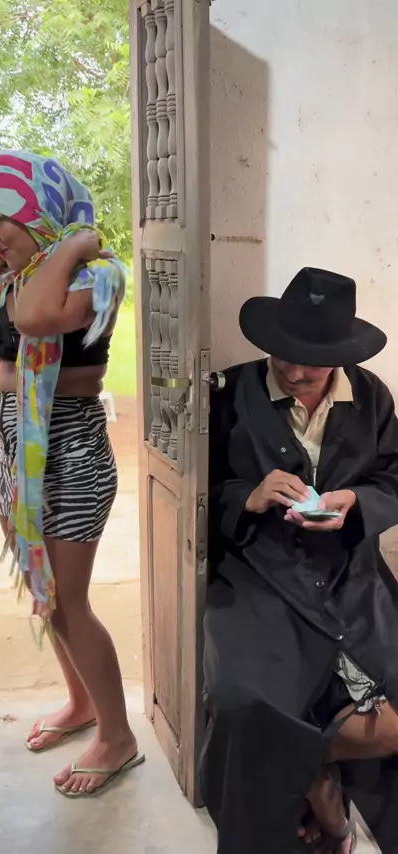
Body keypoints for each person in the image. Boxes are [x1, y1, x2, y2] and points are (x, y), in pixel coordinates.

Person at [0, 150, 144, 796]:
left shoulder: (96, 275)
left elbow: (41, 321)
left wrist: (74, 242)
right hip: (16, 454)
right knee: (46, 595)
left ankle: (117, 737)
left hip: (71, 455)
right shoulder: (20, 280)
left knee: (69, 603)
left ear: (37, 211)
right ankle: (82, 703)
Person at [201, 267, 398, 854]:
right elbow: (193, 490)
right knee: (242, 700)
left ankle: (312, 771)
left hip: (349, 574)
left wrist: (356, 502)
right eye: (283, 354)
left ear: (340, 356)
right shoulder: (229, 393)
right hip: (259, 574)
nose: (293, 371)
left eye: (312, 362)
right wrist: (248, 496)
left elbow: (392, 478)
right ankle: (313, 802)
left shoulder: (370, 396)